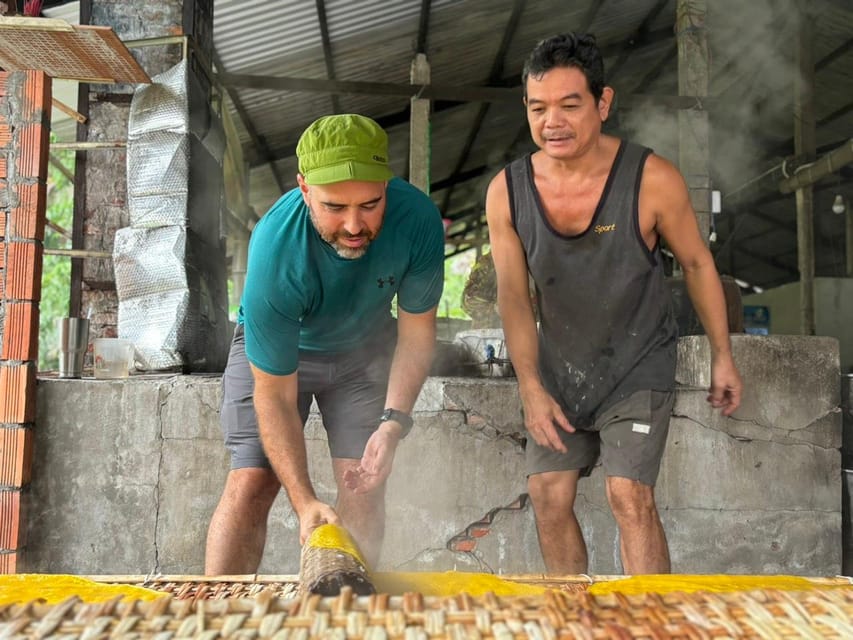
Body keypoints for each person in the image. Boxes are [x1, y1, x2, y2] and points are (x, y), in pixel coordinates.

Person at [485, 33, 742, 575]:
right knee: (548, 496)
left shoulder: (652, 179)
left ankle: (648, 628)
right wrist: (529, 386)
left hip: (637, 363)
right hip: (558, 368)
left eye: (569, 105)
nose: (552, 121)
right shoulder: (507, 191)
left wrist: (723, 354)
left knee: (628, 497)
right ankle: (574, 623)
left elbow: (697, 264)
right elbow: (513, 294)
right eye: (538, 108)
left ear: (603, 103)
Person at [205, 114, 445, 573]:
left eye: (370, 205)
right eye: (335, 207)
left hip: (363, 354)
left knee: (365, 485)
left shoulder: (418, 222)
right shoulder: (276, 245)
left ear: (387, 186)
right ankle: (214, 615)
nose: (354, 225)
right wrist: (305, 502)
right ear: (304, 189)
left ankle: (348, 615)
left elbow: (416, 336)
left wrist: (393, 423)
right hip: (281, 356)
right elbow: (273, 394)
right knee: (254, 479)